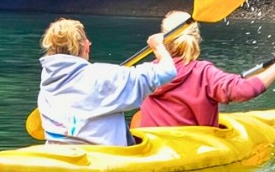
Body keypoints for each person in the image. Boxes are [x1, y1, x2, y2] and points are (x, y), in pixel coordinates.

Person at [135, 11, 275, 128]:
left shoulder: (147, 72)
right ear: (197, 37)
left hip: (153, 147)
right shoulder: (204, 73)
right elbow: (245, 90)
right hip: (191, 151)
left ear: (162, 40)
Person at [38, 18, 177, 146]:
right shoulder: (104, 76)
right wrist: (159, 47)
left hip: (59, 157)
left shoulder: (47, 83)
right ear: (86, 47)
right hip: (102, 161)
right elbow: (167, 71)